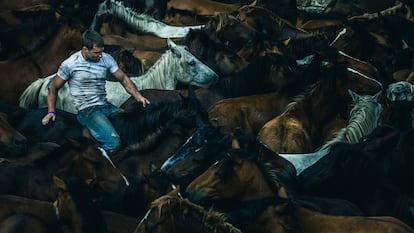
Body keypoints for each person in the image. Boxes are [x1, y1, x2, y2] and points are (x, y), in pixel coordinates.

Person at [41, 29, 150, 154]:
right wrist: (50, 111)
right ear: (85, 49)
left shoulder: (105, 58)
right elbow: (53, 89)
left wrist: (138, 96)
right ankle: (98, 161)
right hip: (88, 110)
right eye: (96, 53)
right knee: (113, 143)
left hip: (106, 106)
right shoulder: (70, 64)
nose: (100, 56)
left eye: (102, 52)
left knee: (133, 127)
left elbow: (123, 78)